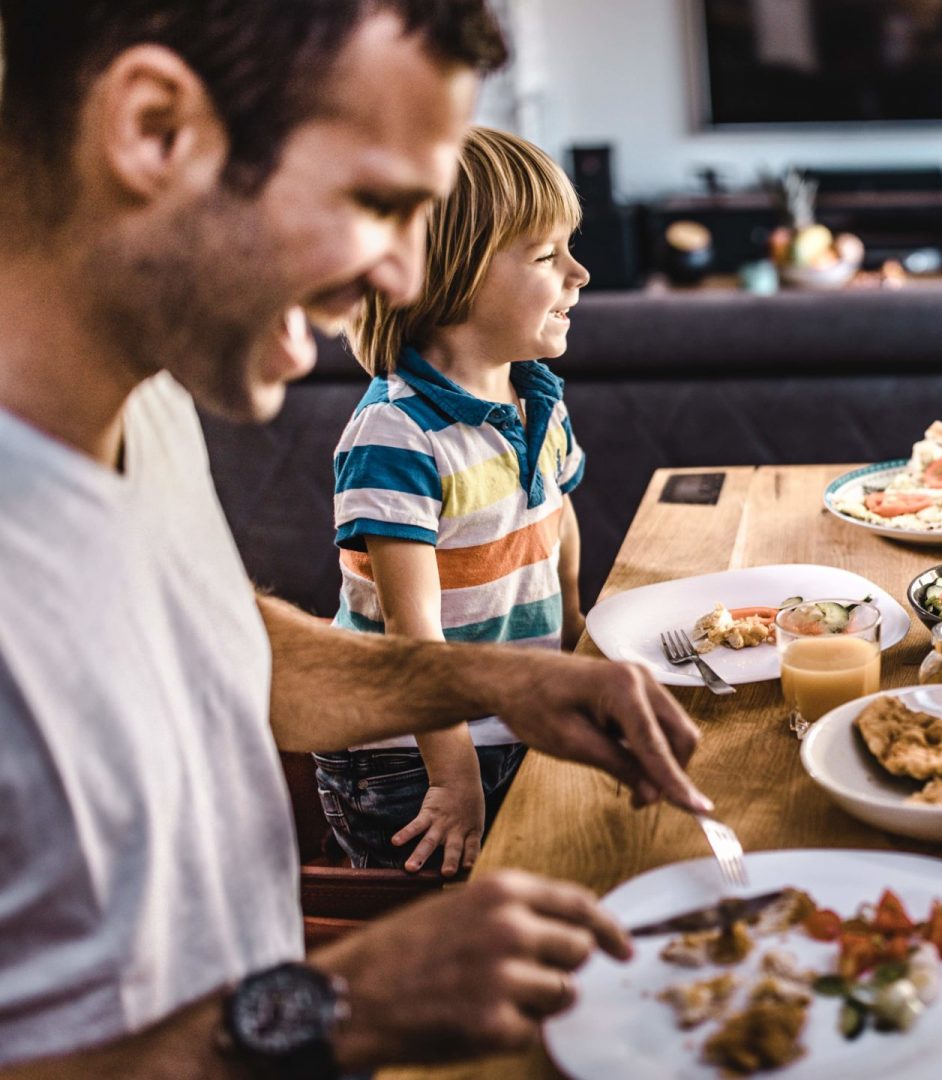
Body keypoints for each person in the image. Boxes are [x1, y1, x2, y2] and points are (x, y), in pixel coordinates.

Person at [0, 2, 711, 1075]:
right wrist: (335, 1009)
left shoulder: (142, 399)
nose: (398, 275)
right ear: (154, 131)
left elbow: (223, 650)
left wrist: (499, 681)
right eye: (375, 201)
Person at [316, 126, 592, 875]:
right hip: (411, 757)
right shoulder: (396, 433)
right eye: (546, 256)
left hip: (508, 719)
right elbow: (414, 632)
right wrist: (453, 776)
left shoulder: (535, 395)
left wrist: (573, 637)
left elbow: (554, 519)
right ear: (452, 276)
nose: (581, 273)